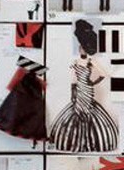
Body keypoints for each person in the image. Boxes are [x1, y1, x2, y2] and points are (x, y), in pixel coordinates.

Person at [48, 20, 116, 152]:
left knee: (87, 113)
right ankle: (77, 141)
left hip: (87, 90)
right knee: (77, 113)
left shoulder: (91, 61)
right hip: (79, 90)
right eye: (80, 47)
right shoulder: (76, 62)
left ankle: (90, 141)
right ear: (79, 48)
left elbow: (103, 74)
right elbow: (73, 78)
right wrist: (72, 92)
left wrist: (92, 82)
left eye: (83, 48)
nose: (81, 49)